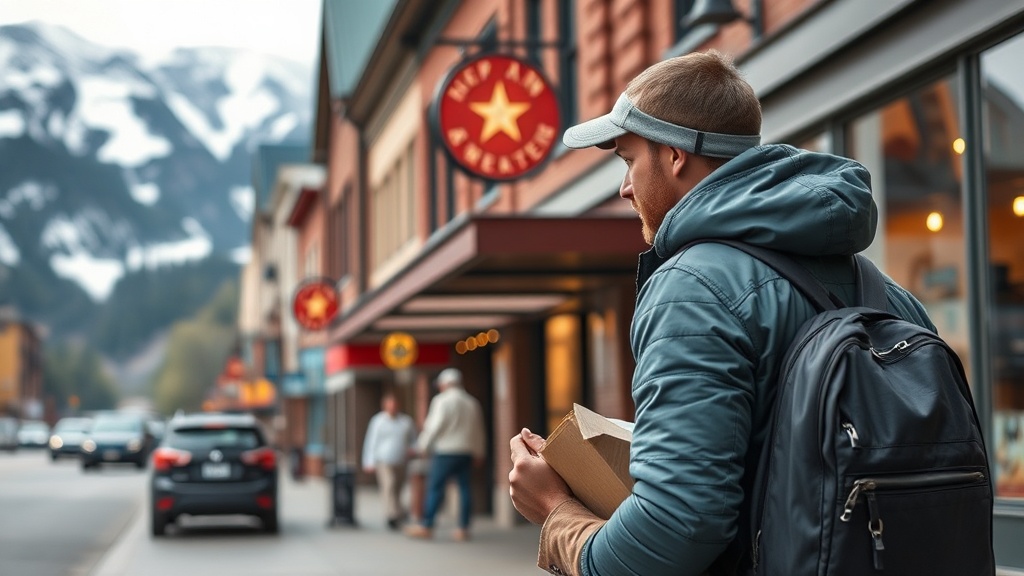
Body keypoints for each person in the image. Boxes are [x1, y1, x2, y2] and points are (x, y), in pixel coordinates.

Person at [508, 50, 937, 576]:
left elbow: (675, 529)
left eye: (626, 159)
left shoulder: (692, 288)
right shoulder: (887, 294)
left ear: (673, 155)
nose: (623, 188)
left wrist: (556, 514)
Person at [404, 367, 486, 542]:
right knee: (464, 488)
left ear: (445, 384)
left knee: (435, 487)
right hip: (466, 451)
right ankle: (463, 527)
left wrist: (422, 446)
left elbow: (434, 426)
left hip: (446, 451)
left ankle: (427, 525)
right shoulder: (472, 402)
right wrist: (479, 451)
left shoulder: (441, 401)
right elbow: (478, 429)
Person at [362, 392, 417, 530]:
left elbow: (414, 440)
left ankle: (399, 511)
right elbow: (371, 441)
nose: (392, 407)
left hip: (400, 460)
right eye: (389, 404)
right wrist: (369, 461)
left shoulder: (406, 422)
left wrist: (413, 449)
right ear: (384, 406)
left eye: (394, 404)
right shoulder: (378, 421)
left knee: (398, 488)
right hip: (383, 460)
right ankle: (391, 515)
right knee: (389, 485)